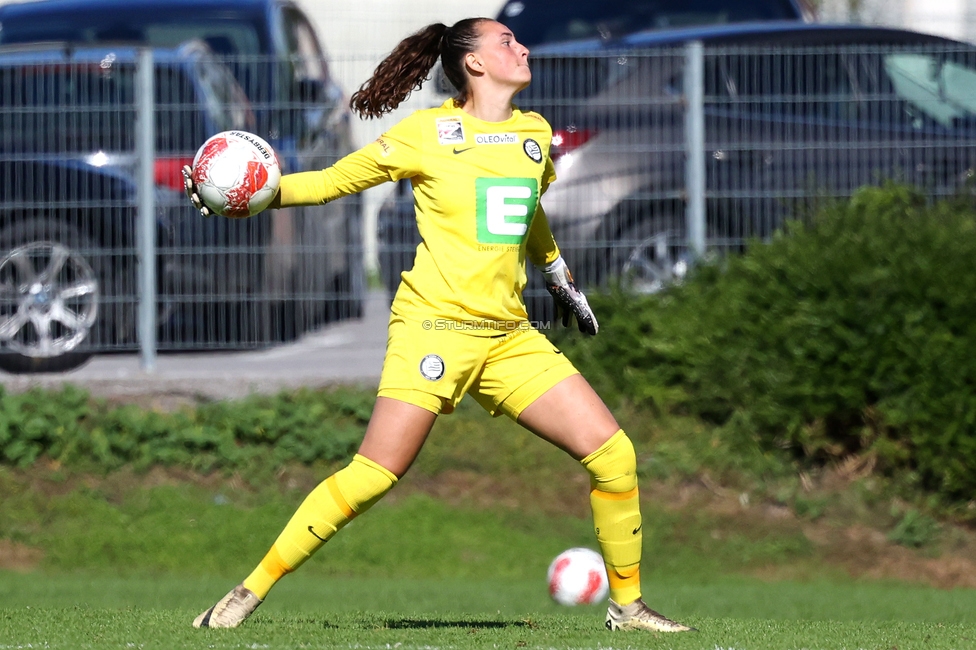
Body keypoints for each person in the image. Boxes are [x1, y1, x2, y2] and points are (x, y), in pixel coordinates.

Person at [182, 17, 694, 634]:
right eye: (506, 41)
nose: (522, 46)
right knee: (374, 475)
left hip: (508, 338)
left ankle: (629, 608)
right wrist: (252, 192)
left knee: (614, 455)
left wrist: (558, 275)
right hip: (435, 329)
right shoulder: (428, 134)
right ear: (474, 63)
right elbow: (333, 182)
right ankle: (246, 593)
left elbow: (526, 214)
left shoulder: (534, 135)